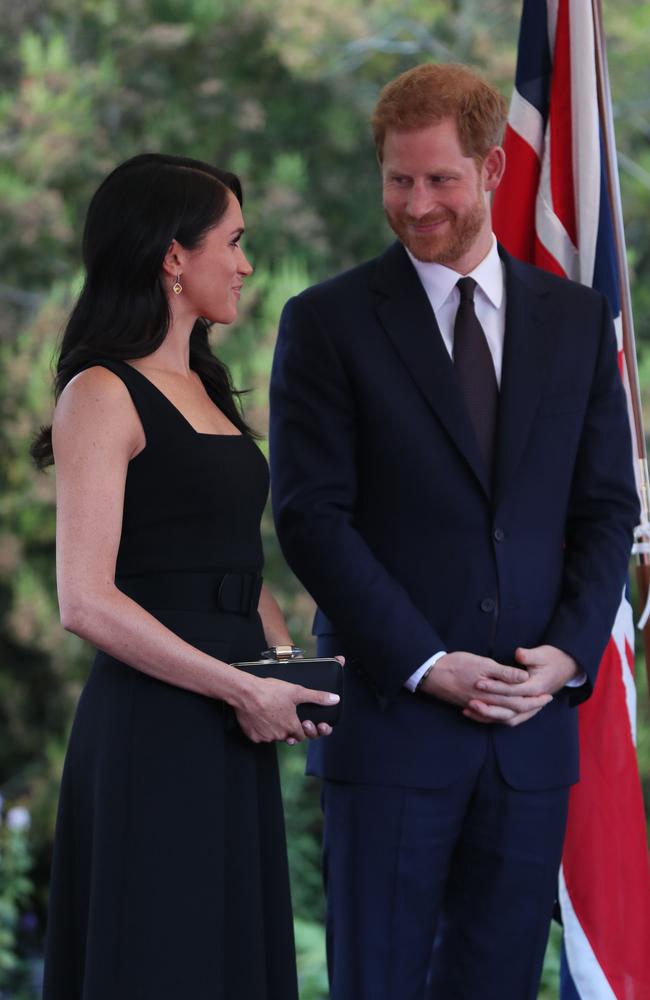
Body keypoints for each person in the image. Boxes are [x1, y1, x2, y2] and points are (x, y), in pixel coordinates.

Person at [269, 63, 639, 1000]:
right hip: (392, 731)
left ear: (493, 170)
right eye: (399, 179)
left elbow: (606, 509)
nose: (417, 203)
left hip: (530, 735)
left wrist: (567, 653)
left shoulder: (578, 323)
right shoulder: (325, 323)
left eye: (439, 179)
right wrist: (429, 664)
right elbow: (312, 518)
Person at [34, 152, 339, 1000]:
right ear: (174, 256)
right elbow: (84, 600)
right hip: (154, 726)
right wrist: (241, 690)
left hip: (232, 721)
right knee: (160, 960)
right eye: (233, 241)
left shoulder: (204, 382)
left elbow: (234, 562)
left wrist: (284, 673)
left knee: (226, 961)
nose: (245, 263)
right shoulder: (100, 392)